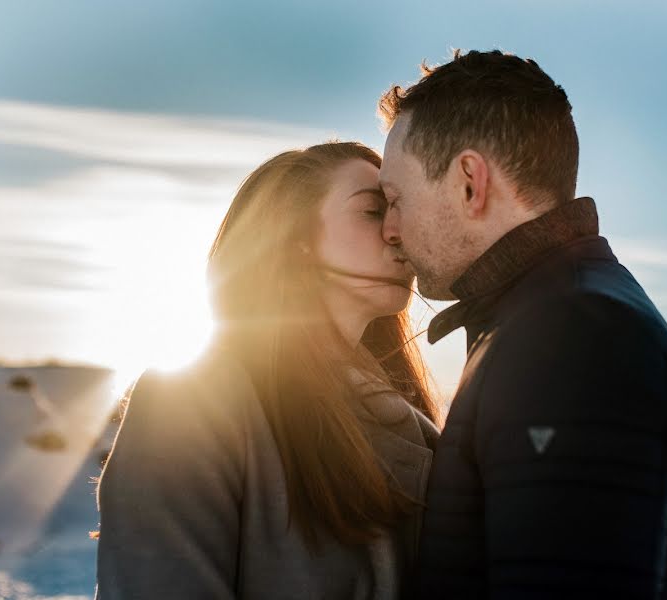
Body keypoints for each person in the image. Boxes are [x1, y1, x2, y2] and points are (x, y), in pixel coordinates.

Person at [378, 50, 667, 599]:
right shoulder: (553, 314)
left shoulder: (574, 343)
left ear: (469, 182)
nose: (390, 228)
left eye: (396, 199)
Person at [93, 142, 440, 599]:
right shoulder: (188, 401)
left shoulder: (416, 430)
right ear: (293, 238)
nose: (399, 232)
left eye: (401, 210)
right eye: (374, 211)